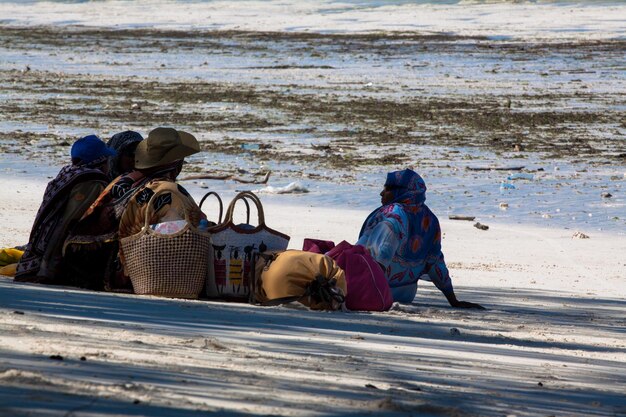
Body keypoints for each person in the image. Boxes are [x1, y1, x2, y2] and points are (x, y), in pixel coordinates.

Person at [64, 127, 203, 291]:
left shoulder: (122, 180)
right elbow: (191, 231)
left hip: (83, 264)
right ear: (176, 164)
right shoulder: (169, 191)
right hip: (130, 273)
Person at [357, 169, 484, 309]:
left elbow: (381, 255)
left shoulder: (393, 216)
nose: (381, 193)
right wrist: (453, 300)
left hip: (377, 291)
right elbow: (435, 262)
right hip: (405, 295)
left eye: (387, 188)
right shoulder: (429, 219)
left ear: (402, 191)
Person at [15, 135, 115, 284]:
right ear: (101, 161)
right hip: (51, 260)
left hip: (36, 250)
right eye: (107, 159)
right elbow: (68, 222)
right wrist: (49, 267)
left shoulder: (67, 173)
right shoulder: (91, 182)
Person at [117, 127, 205, 280]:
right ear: (176, 163)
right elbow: (190, 236)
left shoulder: (128, 181)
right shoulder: (169, 191)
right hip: (153, 273)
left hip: (126, 267)